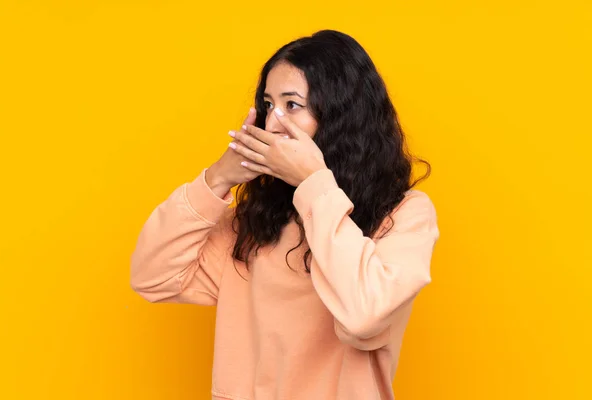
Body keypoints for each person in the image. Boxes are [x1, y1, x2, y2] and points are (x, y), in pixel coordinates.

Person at [130, 29, 440, 400]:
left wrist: (315, 185)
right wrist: (217, 179)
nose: (273, 123)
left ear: (340, 114)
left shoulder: (404, 214)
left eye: (292, 105)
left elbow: (363, 317)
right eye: (267, 105)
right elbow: (152, 276)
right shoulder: (258, 221)